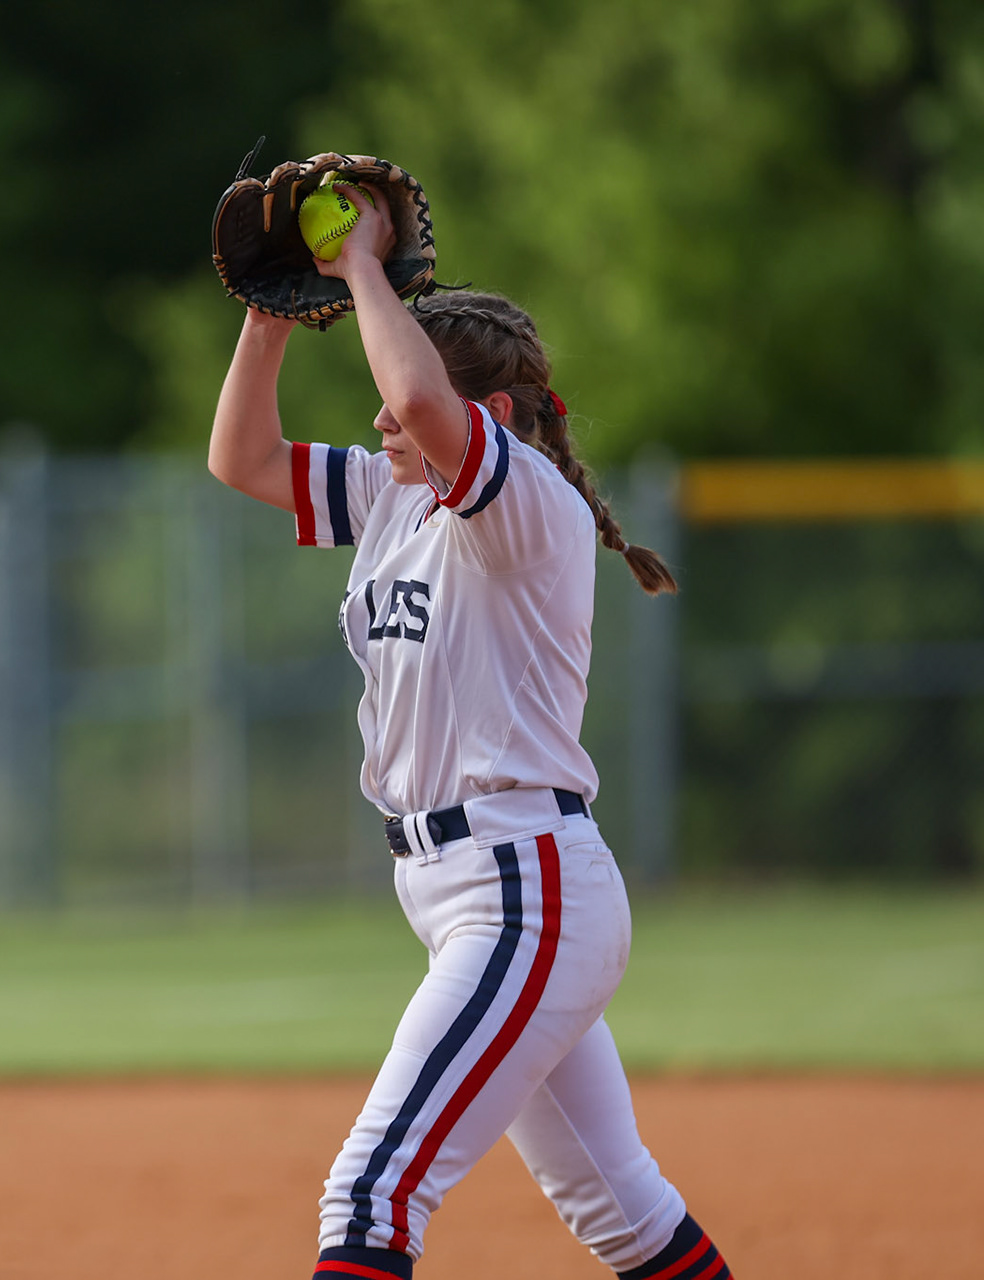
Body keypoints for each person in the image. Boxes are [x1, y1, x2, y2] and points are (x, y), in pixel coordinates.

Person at [207, 185, 735, 1280]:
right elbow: (244, 460)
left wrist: (361, 266)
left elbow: (413, 391)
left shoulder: (524, 497)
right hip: (471, 892)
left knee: (373, 1187)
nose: (380, 420)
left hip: (522, 886)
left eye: (408, 408)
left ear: (485, 416)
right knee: (617, 1203)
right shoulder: (399, 495)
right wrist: (272, 316)